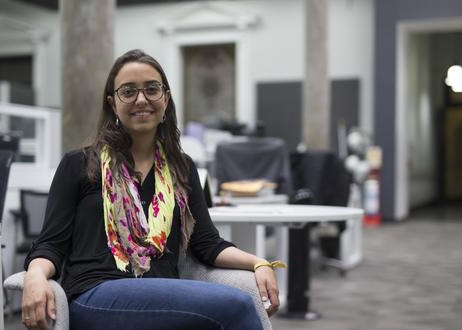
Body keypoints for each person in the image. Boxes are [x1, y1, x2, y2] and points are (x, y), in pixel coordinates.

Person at [21, 49, 282, 330]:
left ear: (166, 99)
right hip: (95, 294)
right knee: (236, 305)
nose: (141, 99)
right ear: (113, 103)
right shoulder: (80, 164)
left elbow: (206, 243)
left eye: (151, 89)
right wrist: (35, 276)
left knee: (235, 305)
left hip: (162, 291)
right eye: (128, 91)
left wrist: (259, 262)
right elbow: (51, 243)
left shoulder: (181, 168)